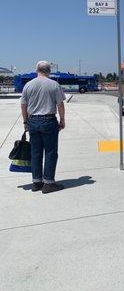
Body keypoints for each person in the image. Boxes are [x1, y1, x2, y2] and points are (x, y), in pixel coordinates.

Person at [21, 61, 66, 193]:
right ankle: (49, 183)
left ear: (37, 70)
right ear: (49, 71)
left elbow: (23, 105)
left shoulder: (28, 85)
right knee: (51, 152)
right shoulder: (54, 85)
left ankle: (36, 182)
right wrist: (62, 120)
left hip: (33, 121)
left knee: (35, 153)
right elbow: (60, 105)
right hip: (49, 121)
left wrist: (25, 122)